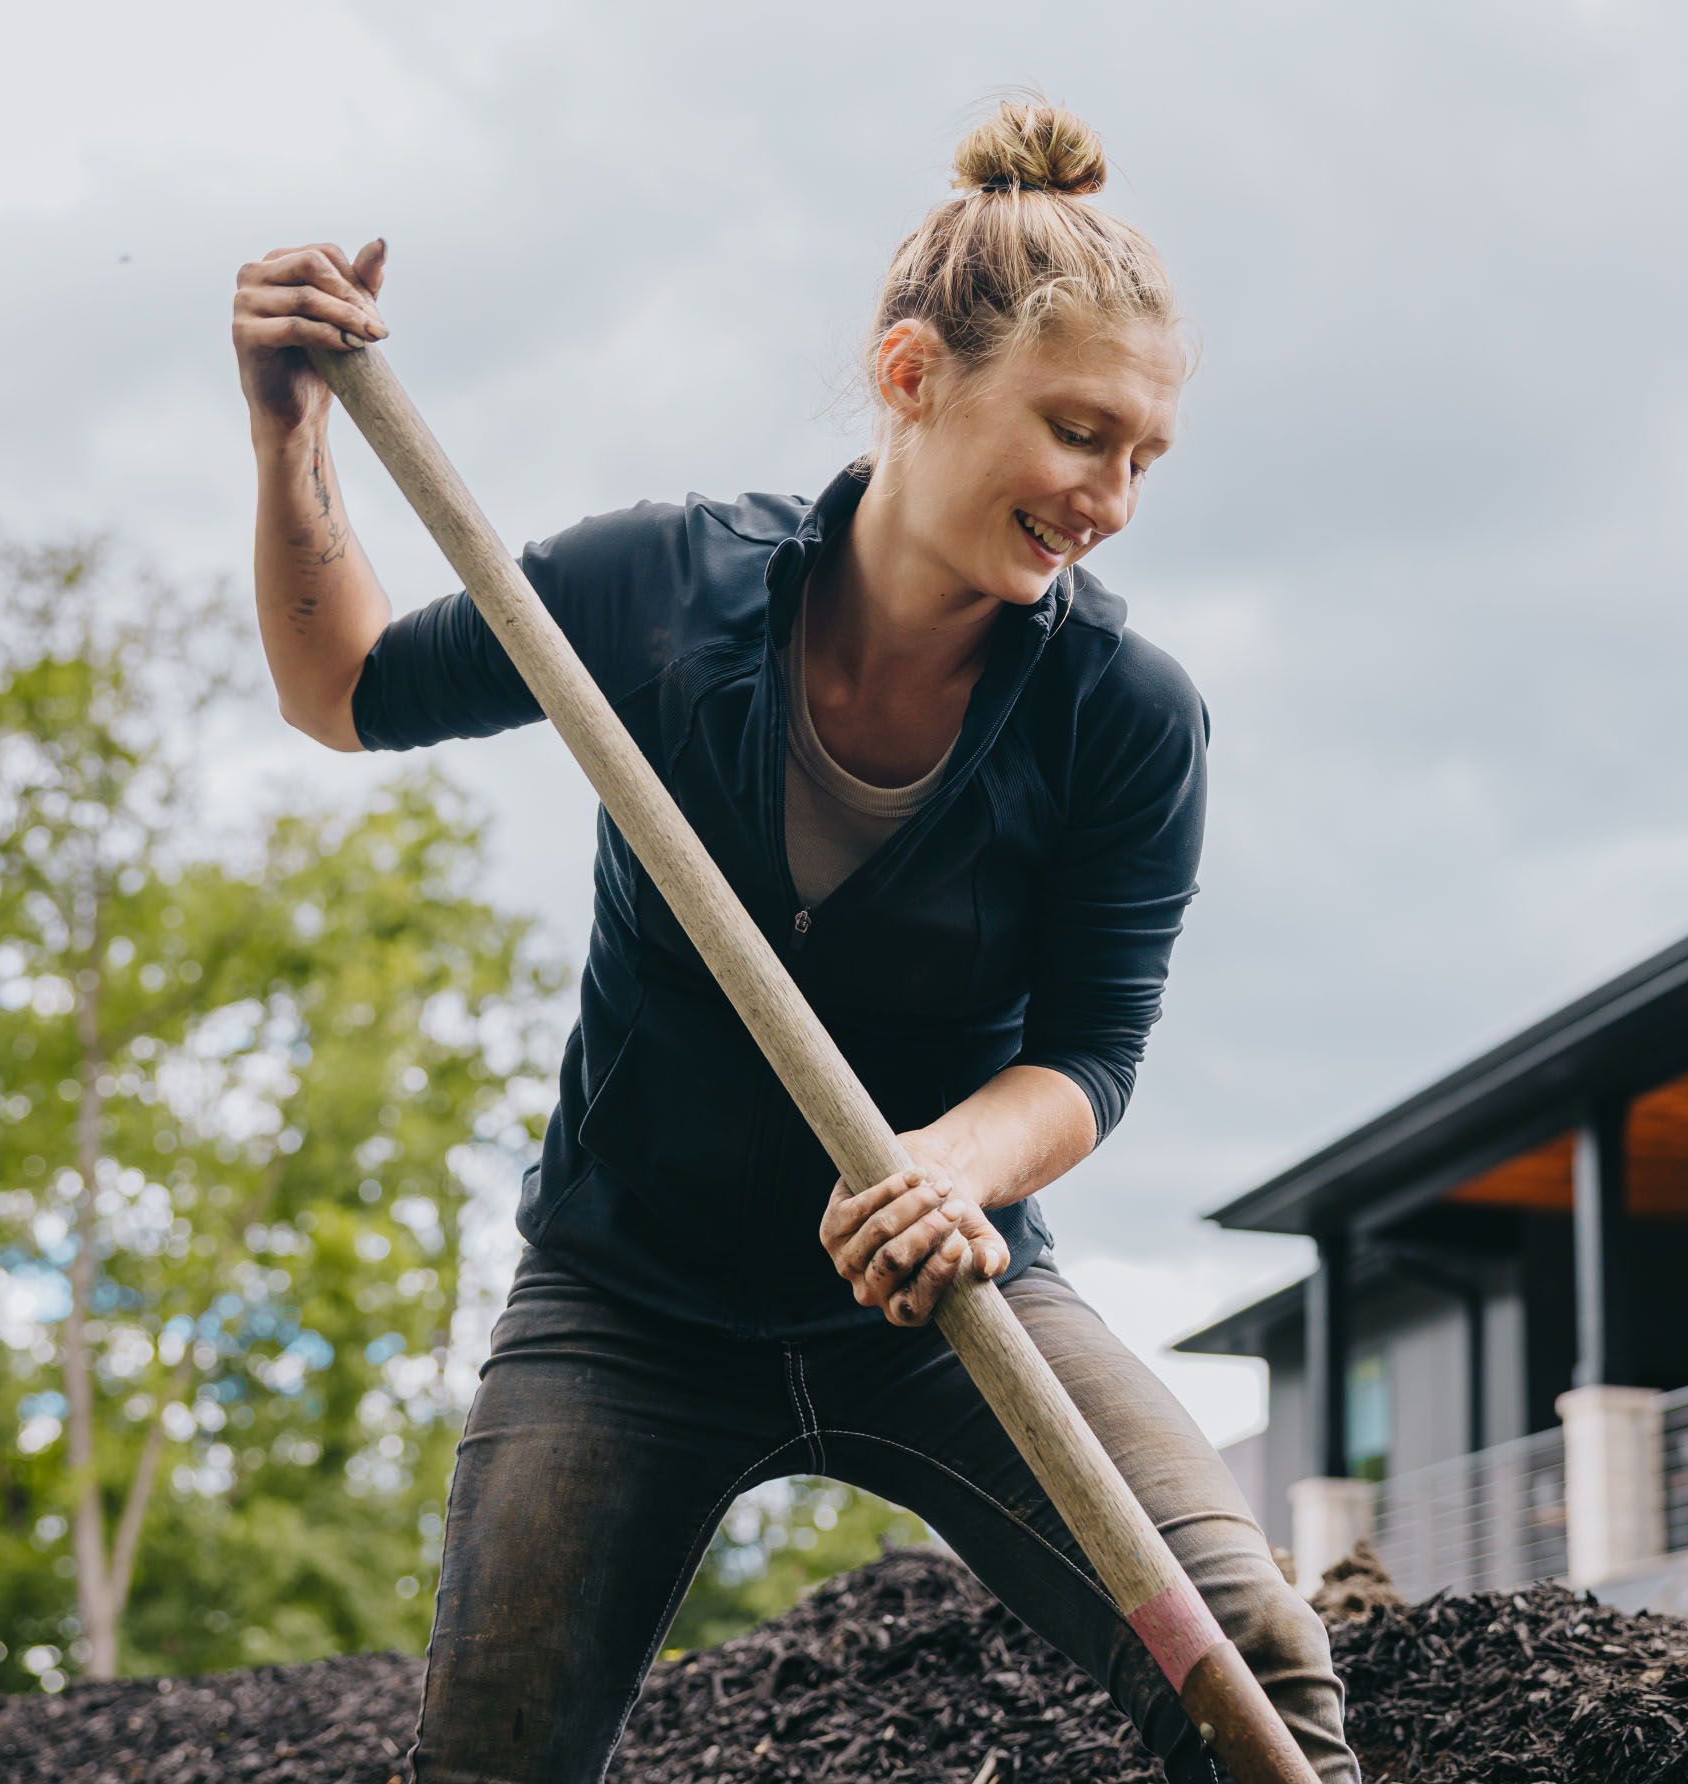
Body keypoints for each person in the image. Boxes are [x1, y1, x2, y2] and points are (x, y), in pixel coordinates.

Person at [233, 98, 1360, 1784]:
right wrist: (288, 436)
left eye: (1146, 456)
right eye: (1078, 432)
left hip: (942, 1301)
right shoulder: (653, 594)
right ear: (910, 377)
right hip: (626, 1303)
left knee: (1258, 1673)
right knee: (492, 1758)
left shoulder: (1123, 716)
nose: (1113, 497)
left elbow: (1091, 1055)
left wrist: (953, 1174)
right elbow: (343, 692)